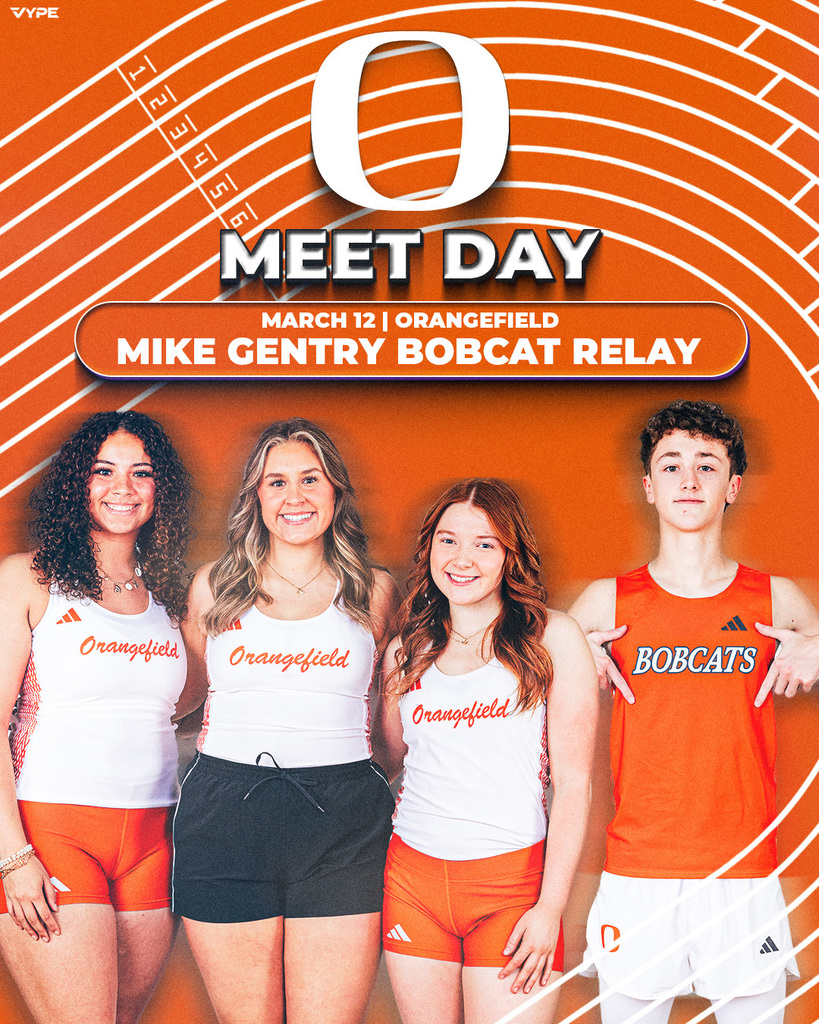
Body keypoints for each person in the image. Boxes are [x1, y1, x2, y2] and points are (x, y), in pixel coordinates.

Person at [569, 399, 819, 1024]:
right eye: (671, 465)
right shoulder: (606, 602)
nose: (688, 479)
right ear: (648, 486)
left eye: (707, 465)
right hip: (637, 870)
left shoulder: (775, 598)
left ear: (733, 486)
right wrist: (569, 667)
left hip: (744, 869)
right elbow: (518, 681)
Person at [173, 417, 398, 1024]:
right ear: (256, 497)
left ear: (336, 493)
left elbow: (405, 705)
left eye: (311, 480)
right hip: (226, 812)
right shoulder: (213, 587)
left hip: (344, 818)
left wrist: (568, 643)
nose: (294, 497)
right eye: (276, 482)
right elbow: (180, 697)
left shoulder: (374, 592)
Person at [375, 478, 598, 1024]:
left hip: (513, 889)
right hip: (412, 884)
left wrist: (550, 909)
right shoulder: (406, 653)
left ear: (509, 555)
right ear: (429, 549)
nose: (462, 558)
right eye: (448, 540)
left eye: (485, 543)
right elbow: (388, 758)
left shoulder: (553, 640)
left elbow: (574, 785)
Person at [0, 410, 191, 1024]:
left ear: (162, 491)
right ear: (74, 484)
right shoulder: (28, 580)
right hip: (52, 835)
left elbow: (180, 710)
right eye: (103, 471)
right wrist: (12, 857)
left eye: (142, 473)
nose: (123, 487)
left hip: (152, 841)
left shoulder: (170, 596)